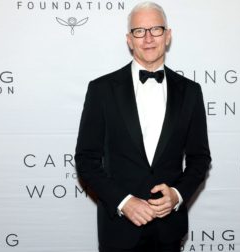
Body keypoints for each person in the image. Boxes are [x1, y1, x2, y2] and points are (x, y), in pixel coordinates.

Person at [75, 2, 211, 252]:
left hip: (169, 231)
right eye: (139, 31)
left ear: (168, 36)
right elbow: (86, 159)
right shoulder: (102, 90)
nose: (148, 38)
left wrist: (177, 195)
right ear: (129, 40)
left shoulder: (191, 92)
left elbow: (200, 158)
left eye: (156, 29)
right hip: (119, 230)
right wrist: (124, 202)